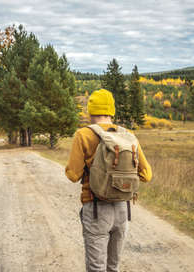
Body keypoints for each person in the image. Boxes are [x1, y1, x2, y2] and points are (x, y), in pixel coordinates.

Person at [65, 89, 152, 272]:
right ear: (111, 111)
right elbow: (146, 175)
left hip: (96, 209)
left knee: (97, 268)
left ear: (90, 111)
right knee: (113, 267)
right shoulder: (128, 135)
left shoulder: (83, 135)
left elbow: (73, 175)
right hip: (122, 209)